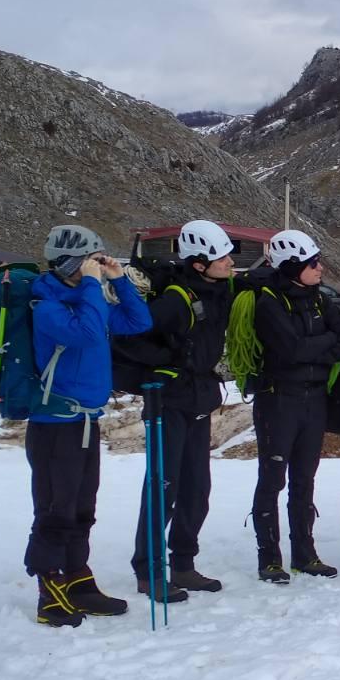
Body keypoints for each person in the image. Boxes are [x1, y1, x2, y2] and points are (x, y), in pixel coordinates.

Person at [25, 226, 152, 626]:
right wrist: (94, 287)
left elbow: (137, 321)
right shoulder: (46, 306)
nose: (98, 264)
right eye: (92, 259)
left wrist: (117, 281)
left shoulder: (86, 299)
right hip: (54, 424)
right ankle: (50, 589)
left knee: (83, 506)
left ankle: (79, 579)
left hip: (85, 421)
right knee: (55, 508)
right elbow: (89, 332)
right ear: (71, 263)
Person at [114, 220, 233, 597]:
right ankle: (148, 571)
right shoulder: (175, 300)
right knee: (164, 487)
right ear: (198, 263)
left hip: (198, 399)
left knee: (197, 489)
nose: (231, 262)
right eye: (222, 257)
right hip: (170, 401)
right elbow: (125, 338)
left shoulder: (217, 290)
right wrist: (169, 360)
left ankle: (183, 564)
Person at [249, 229, 340, 580]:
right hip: (279, 400)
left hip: (313, 398)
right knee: (273, 477)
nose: (320, 268)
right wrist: (321, 345)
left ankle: (304, 553)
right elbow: (290, 350)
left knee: (305, 479)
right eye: (312, 263)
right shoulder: (269, 302)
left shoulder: (321, 299)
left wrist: (313, 347)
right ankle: (269, 557)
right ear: (292, 267)